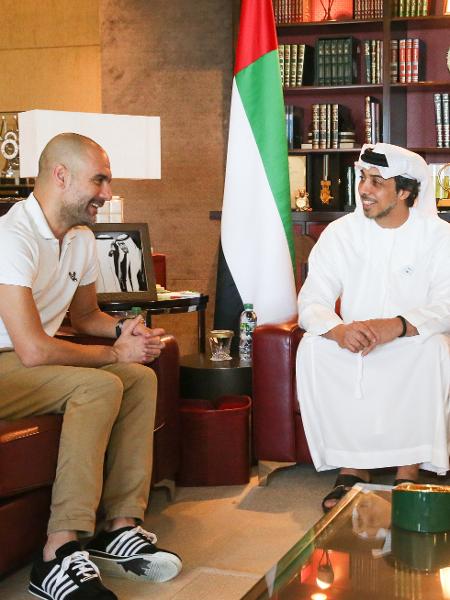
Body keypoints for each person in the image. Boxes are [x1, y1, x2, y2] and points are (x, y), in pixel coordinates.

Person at [0, 133, 182, 600]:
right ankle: (58, 553)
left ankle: (118, 529)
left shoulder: (80, 238)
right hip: (10, 361)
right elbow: (34, 350)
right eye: (98, 180)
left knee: (139, 378)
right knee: (98, 387)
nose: (106, 192)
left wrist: (124, 333)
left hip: (25, 362)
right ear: (60, 176)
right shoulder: (10, 237)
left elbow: (84, 317)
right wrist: (109, 355)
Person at [296, 143, 450, 513]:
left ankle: (408, 470)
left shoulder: (438, 236)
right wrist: (338, 331)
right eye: (362, 178)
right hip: (352, 339)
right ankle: (353, 466)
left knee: (433, 351)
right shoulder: (340, 233)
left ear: (406, 191)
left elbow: (446, 305)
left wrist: (396, 326)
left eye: (377, 182)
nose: (364, 189)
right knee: (314, 349)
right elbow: (312, 299)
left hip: (410, 338)